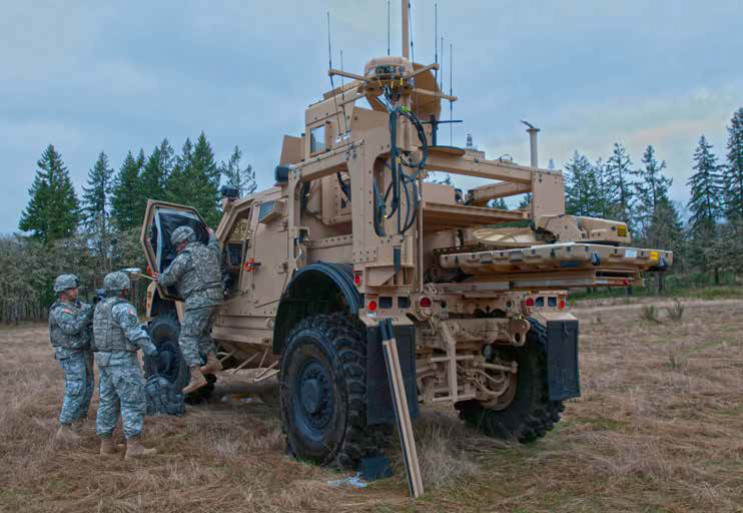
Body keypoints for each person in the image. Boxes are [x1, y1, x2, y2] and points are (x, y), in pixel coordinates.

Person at [93, 271, 159, 459]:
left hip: (105, 362)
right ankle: (134, 447)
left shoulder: (100, 307)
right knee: (133, 402)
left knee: (108, 402)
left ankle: (106, 446)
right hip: (123, 362)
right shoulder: (123, 308)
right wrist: (152, 350)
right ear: (124, 288)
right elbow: (135, 333)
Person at [153, 225, 223, 394]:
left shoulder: (185, 257)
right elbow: (215, 245)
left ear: (184, 242)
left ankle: (196, 376)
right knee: (203, 332)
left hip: (198, 301)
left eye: (178, 245)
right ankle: (212, 361)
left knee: (186, 338)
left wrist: (159, 278)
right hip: (217, 299)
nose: (177, 248)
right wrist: (212, 235)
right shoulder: (209, 251)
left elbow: (170, 277)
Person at [49, 274, 95, 443]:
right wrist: (88, 314)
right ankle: (65, 427)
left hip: (84, 351)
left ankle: (79, 422)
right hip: (69, 353)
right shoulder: (59, 310)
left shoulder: (81, 306)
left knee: (88, 386)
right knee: (76, 387)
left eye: (76, 288)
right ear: (63, 292)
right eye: (72, 289)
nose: (76, 291)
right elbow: (72, 328)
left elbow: (89, 315)